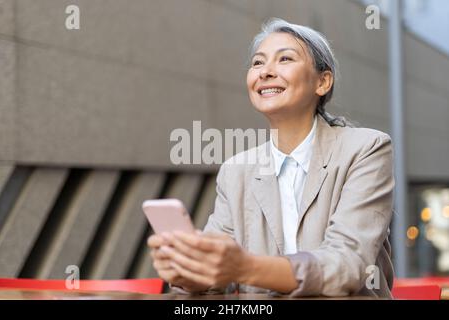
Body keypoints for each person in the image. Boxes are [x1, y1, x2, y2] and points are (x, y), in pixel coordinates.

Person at [148, 18, 395, 298]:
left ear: (323, 82)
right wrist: (189, 271)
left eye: (285, 59)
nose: (265, 72)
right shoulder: (236, 171)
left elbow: (346, 267)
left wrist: (244, 267)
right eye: (257, 63)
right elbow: (214, 281)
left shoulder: (366, 148)